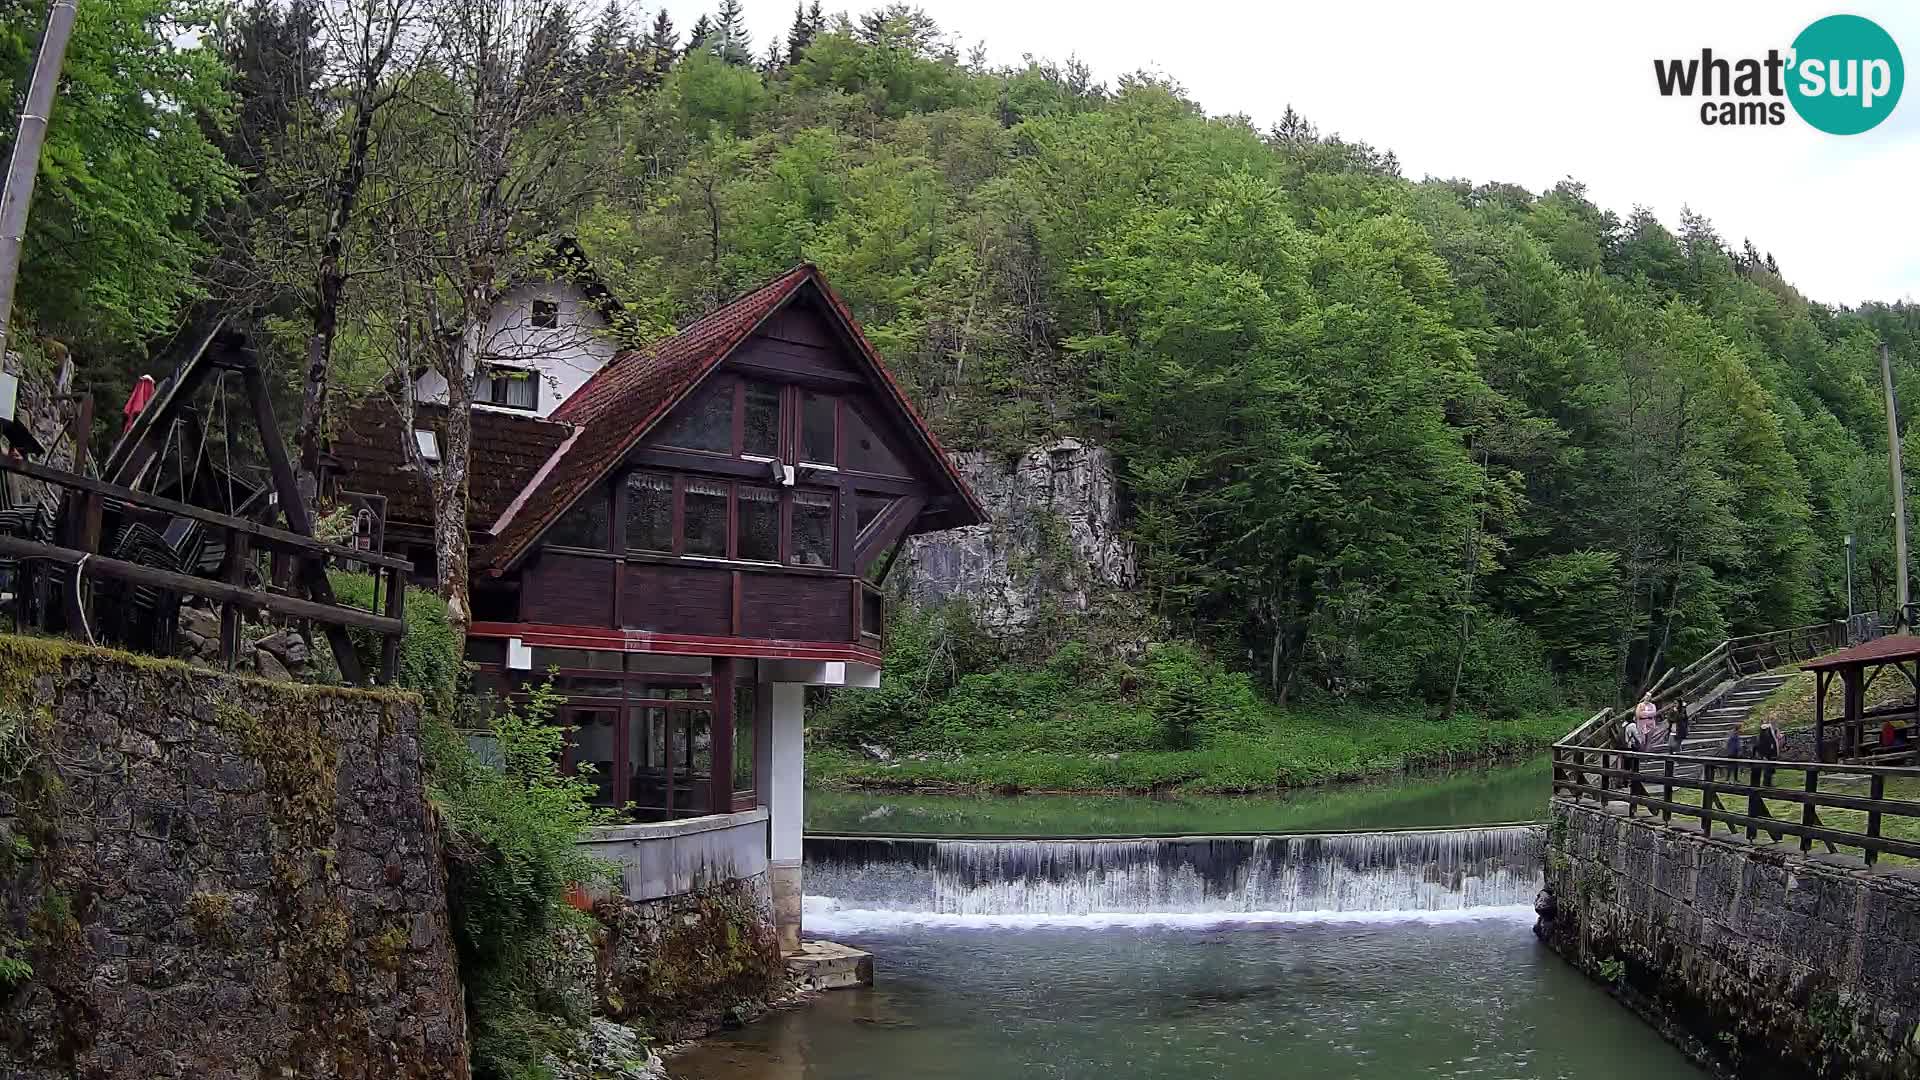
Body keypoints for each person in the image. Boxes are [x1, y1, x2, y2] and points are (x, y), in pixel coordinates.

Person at [1755, 721, 1780, 786]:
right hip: (1767, 756)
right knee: (1767, 770)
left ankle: (1768, 783)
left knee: (1770, 770)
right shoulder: (1764, 737)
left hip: (1770, 755)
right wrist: (1763, 756)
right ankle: (1766, 783)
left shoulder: (1766, 736)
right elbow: (1761, 746)